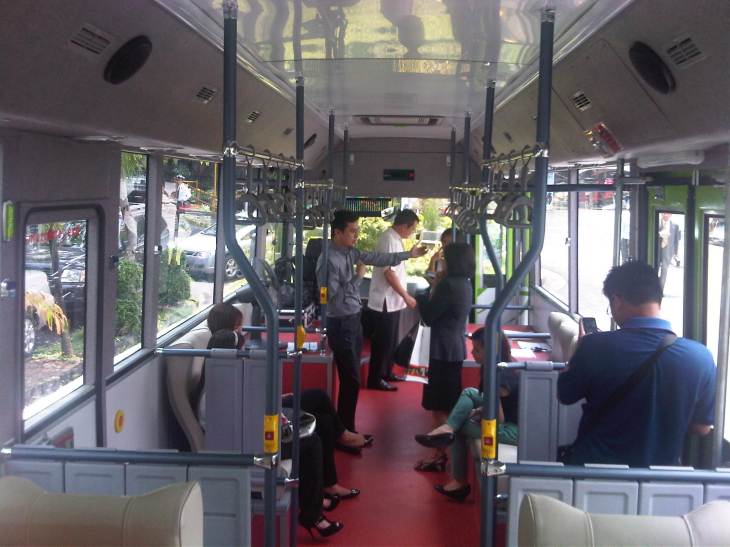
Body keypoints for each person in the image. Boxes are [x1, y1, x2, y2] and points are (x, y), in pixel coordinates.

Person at [205, 304, 361, 538]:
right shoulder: (221, 383)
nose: (243, 334)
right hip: (248, 443)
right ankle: (313, 515)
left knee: (323, 416)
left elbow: (251, 403)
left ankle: (323, 488)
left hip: (255, 425)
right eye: (238, 329)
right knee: (312, 442)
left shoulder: (229, 371)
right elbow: (239, 419)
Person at [557, 260, 715, 467]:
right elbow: (703, 427)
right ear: (657, 299)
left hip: (596, 472)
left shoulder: (594, 346)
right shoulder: (701, 356)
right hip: (662, 476)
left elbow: (566, 395)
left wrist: (578, 352)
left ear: (617, 300)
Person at [317, 210, 427, 432]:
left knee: (353, 378)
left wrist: (409, 254)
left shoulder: (350, 252)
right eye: (352, 231)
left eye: (357, 231)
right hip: (341, 323)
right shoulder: (328, 260)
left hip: (353, 319)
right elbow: (329, 298)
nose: (356, 235)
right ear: (337, 233)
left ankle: (347, 428)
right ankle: (346, 431)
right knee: (351, 380)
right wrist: (358, 277)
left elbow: (378, 258)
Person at [414, 327, 519, 500]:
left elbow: (498, 418)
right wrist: (479, 410)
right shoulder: (498, 366)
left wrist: (480, 413)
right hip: (509, 419)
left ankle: (459, 481)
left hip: (513, 430)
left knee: (460, 426)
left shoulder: (497, 378)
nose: (472, 353)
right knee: (469, 392)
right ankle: (448, 427)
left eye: (477, 350)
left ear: (490, 351)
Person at [413, 242, 474, 472]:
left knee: (439, 407)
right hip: (454, 348)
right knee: (447, 404)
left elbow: (429, 315)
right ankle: (442, 453)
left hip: (441, 350)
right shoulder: (465, 283)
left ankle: (440, 455)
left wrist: (421, 296)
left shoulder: (448, 285)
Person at [366, 209, 421, 391]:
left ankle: (386, 372)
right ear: (404, 226)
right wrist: (406, 295)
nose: (412, 233)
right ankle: (375, 379)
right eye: (412, 229)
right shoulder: (388, 239)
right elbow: (389, 273)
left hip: (393, 301)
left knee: (390, 341)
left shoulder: (396, 240)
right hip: (385, 301)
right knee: (382, 343)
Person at [658, 212, 681, 290]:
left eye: (667, 213)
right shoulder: (657, 223)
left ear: (671, 215)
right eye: (664, 213)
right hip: (657, 250)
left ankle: (660, 290)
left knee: (664, 270)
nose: (665, 215)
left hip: (667, 251)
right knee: (655, 268)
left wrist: (676, 253)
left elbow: (676, 241)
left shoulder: (675, 226)